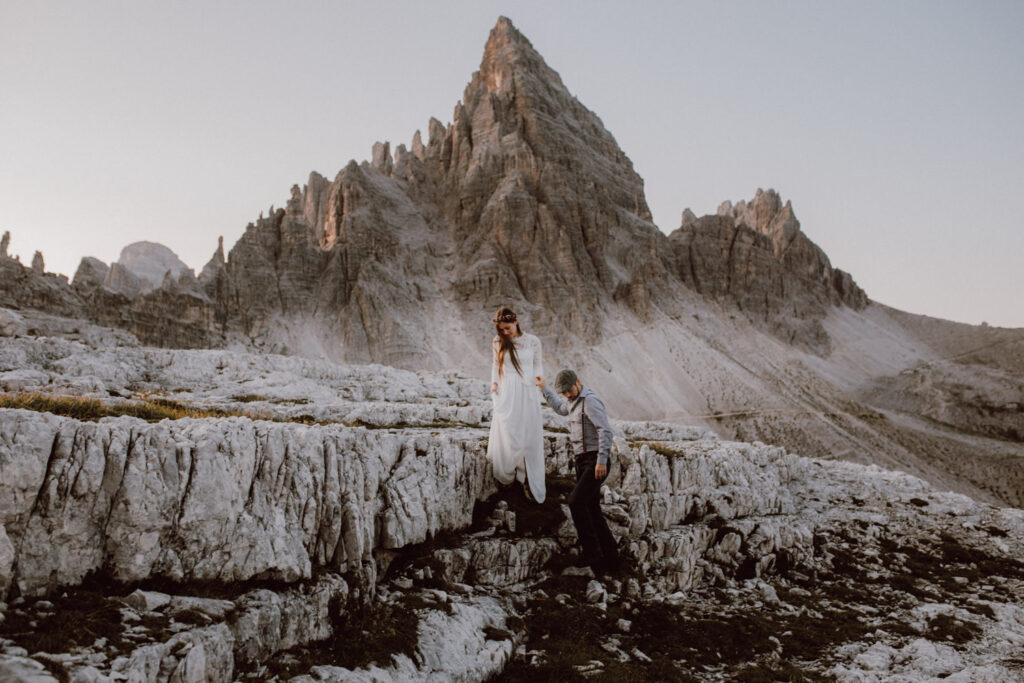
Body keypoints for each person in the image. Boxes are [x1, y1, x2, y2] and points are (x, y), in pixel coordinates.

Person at [537, 369, 620, 573]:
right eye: (563, 392)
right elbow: (560, 408)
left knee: (576, 502)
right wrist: (544, 388)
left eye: (568, 390)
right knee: (592, 509)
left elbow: (605, 430)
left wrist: (601, 461)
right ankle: (611, 558)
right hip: (582, 461)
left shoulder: (590, 401)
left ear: (578, 382)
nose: (567, 395)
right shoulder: (572, 401)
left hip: (594, 461)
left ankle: (591, 551)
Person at [487, 307, 546, 503]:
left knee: (527, 431)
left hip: (527, 388)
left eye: (507, 328)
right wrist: (494, 382)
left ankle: (526, 476)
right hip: (508, 390)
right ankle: (509, 476)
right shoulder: (497, 341)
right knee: (509, 431)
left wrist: (539, 378)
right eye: (501, 329)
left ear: (516, 321)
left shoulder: (533, 341)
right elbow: (496, 364)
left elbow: (537, 363)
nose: (505, 332)